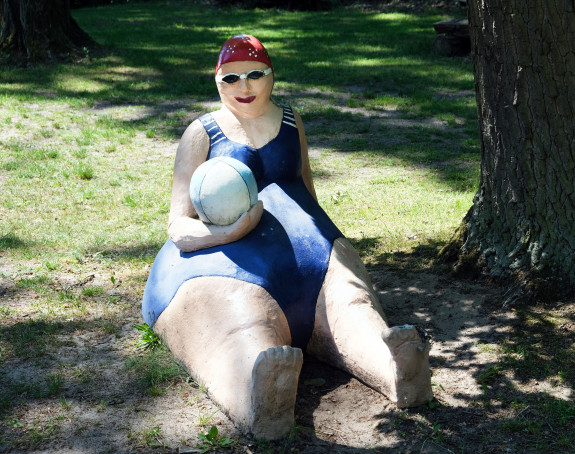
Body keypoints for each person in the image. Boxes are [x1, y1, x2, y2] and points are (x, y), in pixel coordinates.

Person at [142, 34, 432, 440]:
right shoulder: (201, 133)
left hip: (311, 259)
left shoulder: (291, 121)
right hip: (229, 266)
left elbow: (309, 193)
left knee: (350, 305)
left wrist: (334, 248)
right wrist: (231, 231)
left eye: (255, 75)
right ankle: (259, 395)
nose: (243, 87)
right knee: (239, 324)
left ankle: (397, 370)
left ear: (272, 76)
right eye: (230, 78)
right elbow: (177, 226)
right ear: (217, 81)